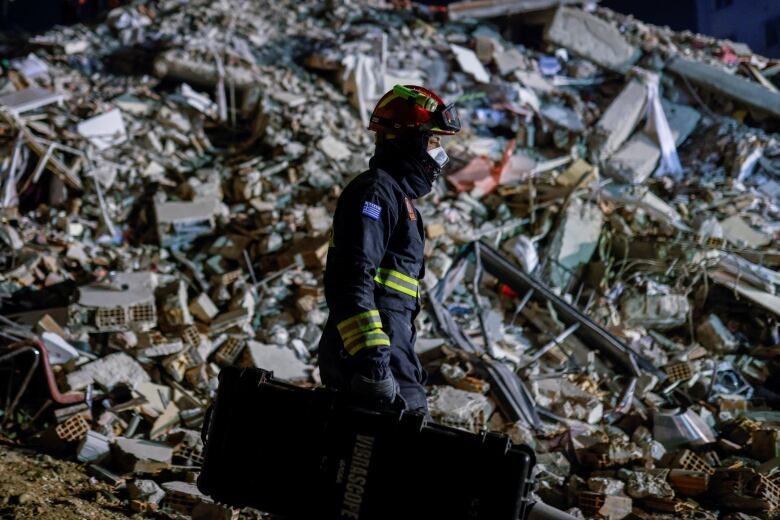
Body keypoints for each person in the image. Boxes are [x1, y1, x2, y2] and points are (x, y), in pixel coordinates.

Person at [317, 85, 461, 415]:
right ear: (408, 139)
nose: (438, 153)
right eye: (434, 140)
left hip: (391, 355)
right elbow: (351, 277)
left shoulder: (396, 197)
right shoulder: (376, 192)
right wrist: (372, 362)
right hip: (374, 363)